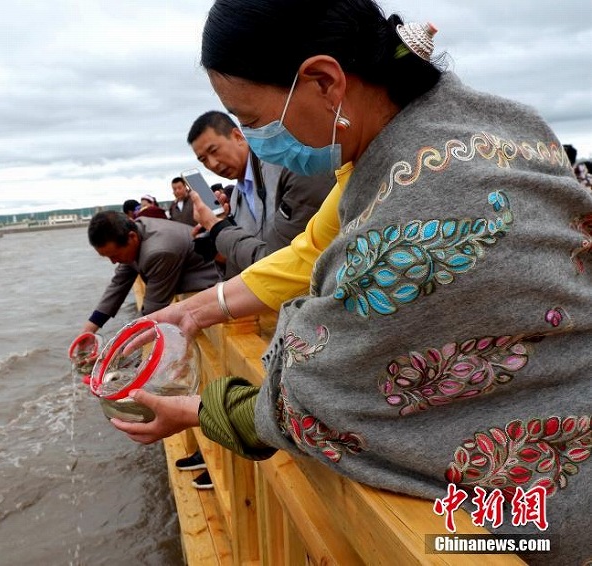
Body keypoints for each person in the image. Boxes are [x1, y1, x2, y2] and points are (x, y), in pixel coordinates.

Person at [109, 1, 592, 563]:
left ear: (323, 81)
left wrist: (197, 409)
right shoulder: (481, 125)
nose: (254, 138)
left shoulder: (410, 212)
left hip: (550, 525)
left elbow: (314, 393)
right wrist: (192, 312)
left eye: (251, 119)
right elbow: (312, 251)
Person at [187, 110, 336, 278]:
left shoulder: (290, 166)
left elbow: (280, 263)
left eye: (214, 151)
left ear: (237, 136)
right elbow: (247, 272)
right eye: (203, 160)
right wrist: (218, 248)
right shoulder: (234, 202)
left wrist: (218, 229)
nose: (212, 164)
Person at [82, 211, 219, 333]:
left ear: (132, 237)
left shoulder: (158, 252)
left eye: (114, 255)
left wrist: (116, 349)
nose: (113, 261)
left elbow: (152, 310)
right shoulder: (136, 233)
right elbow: (118, 284)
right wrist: (89, 330)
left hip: (217, 283)